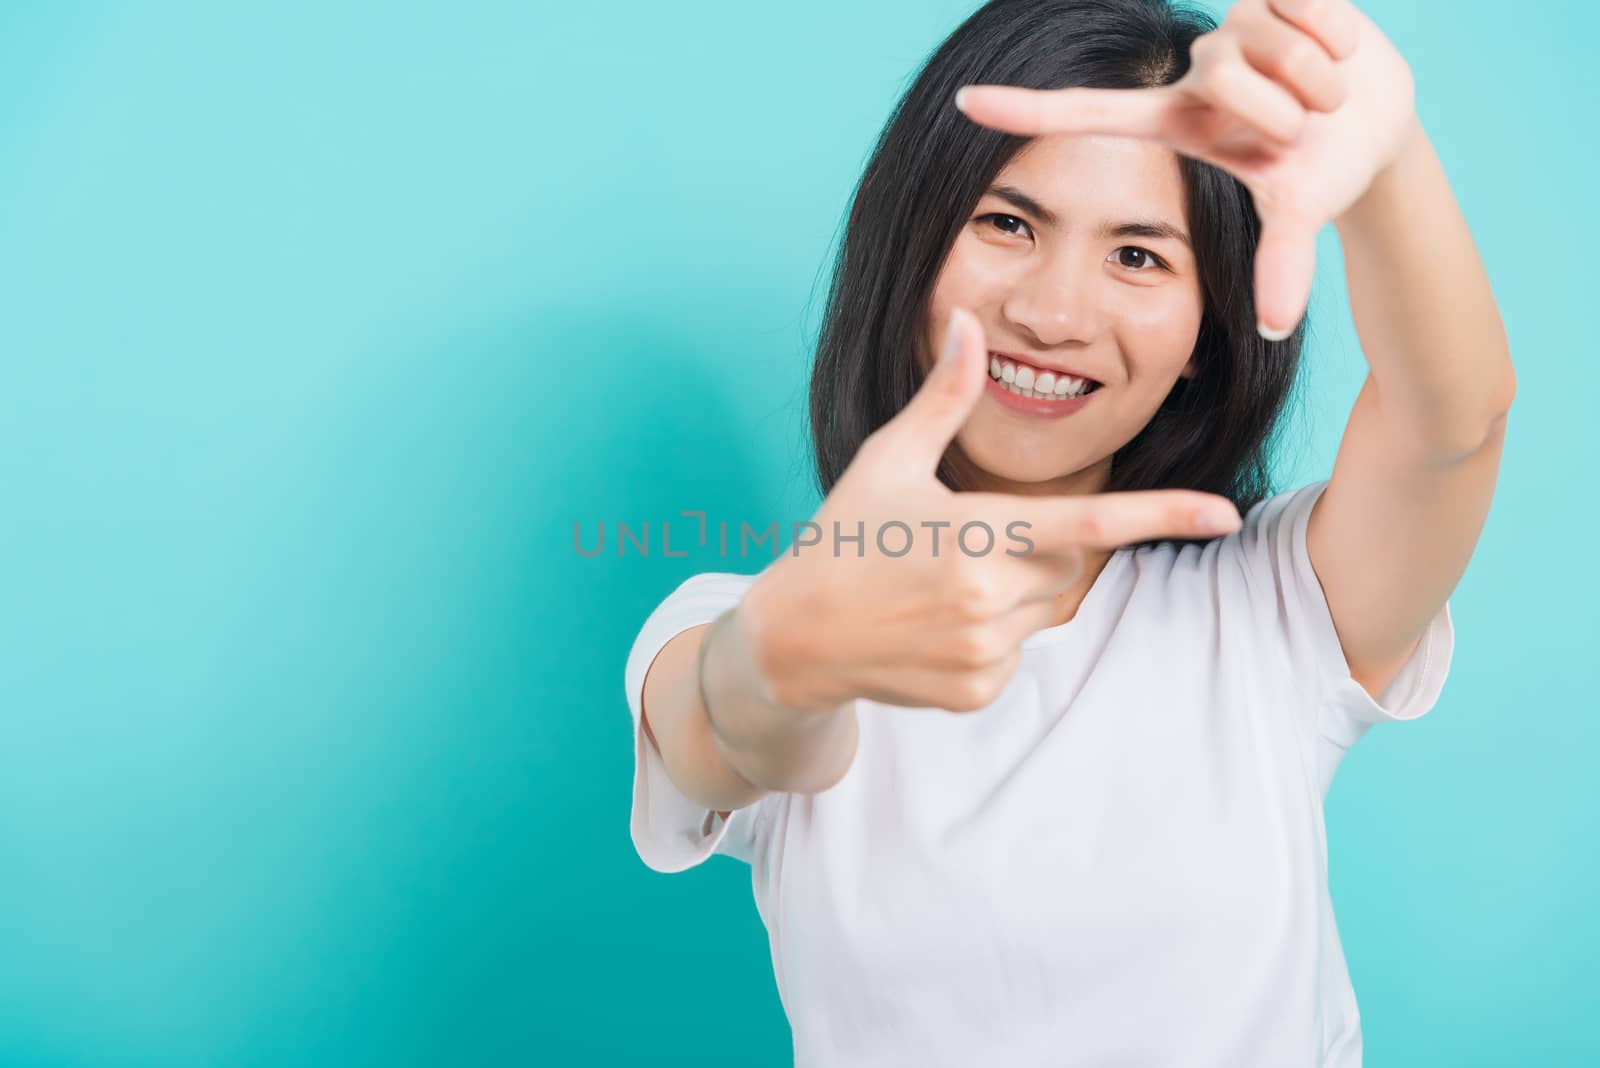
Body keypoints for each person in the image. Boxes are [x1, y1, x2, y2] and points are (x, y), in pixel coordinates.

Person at [623, 0, 1515, 1064]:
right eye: (1007, 223)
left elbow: (1448, 430)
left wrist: (1388, 163)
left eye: (1138, 257)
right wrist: (781, 661)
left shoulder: (1279, 608)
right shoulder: (750, 618)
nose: (1053, 313)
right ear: (913, 248)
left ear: (1203, 331)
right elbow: (724, 726)